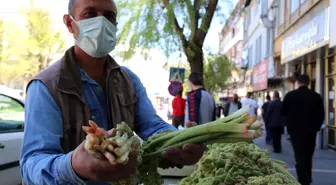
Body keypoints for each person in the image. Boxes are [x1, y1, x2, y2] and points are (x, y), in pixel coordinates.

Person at [19, 0, 205, 184]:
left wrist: (180, 141)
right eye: (90, 14)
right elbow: (32, 164)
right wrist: (74, 165)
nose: (101, 23)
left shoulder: (129, 81)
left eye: (109, 16)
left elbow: (152, 126)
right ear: (70, 23)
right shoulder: (45, 86)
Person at [281, 75, 324, 185]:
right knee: (308, 155)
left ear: (298, 83)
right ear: (308, 83)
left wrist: (288, 126)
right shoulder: (316, 96)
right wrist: (317, 127)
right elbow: (321, 115)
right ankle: (307, 178)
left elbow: (283, 113)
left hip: (295, 131)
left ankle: (302, 179)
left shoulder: (290, 96)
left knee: (299, 156)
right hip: (311, 131)